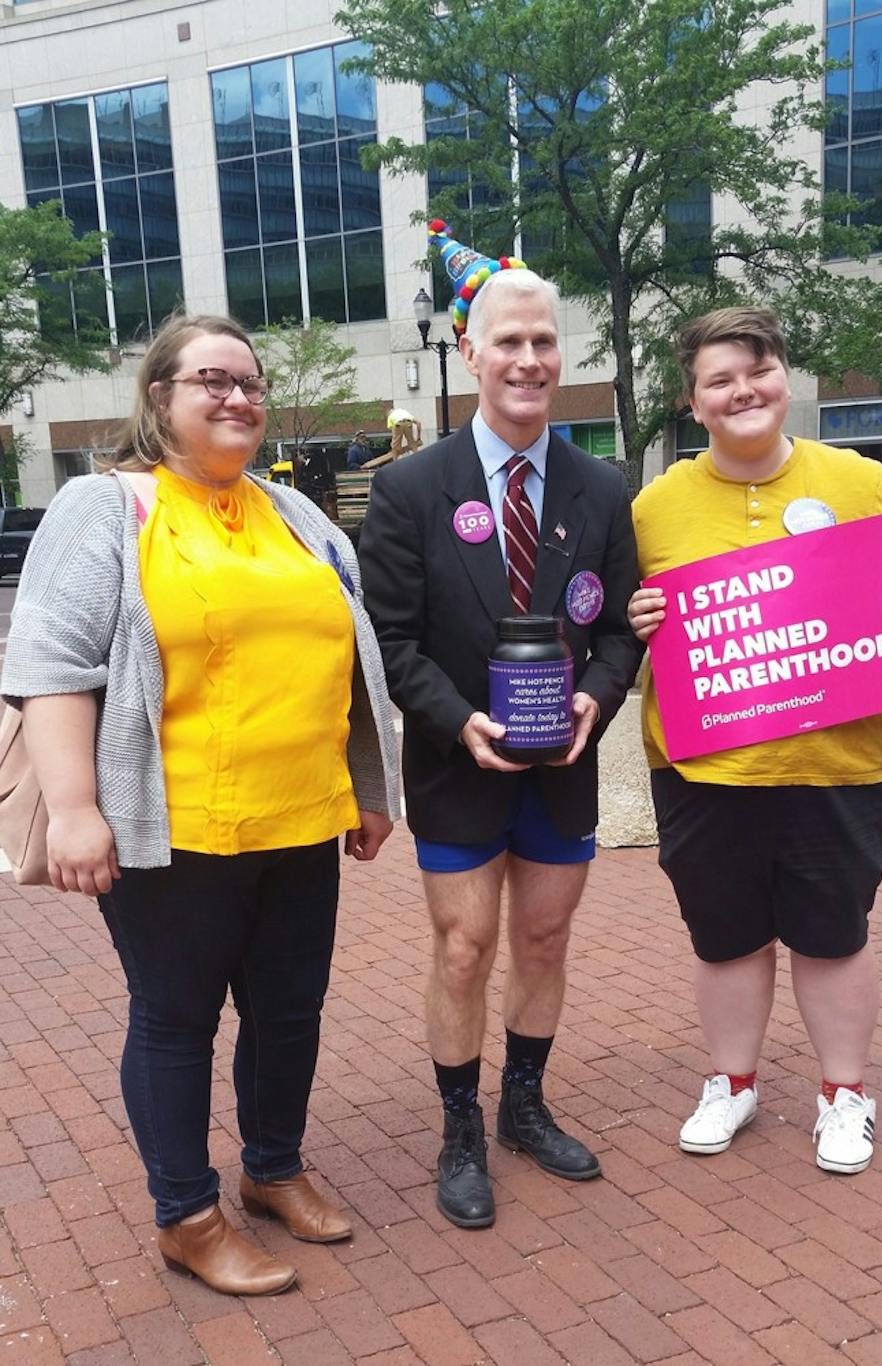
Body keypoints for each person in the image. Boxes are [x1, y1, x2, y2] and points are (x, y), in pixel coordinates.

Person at [2, 314, 400, 1296]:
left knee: (288, 1010)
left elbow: (344, 656)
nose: (238, 398)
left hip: (302, 817)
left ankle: (272, 1169)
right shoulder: (108, 507)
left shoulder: (294, 513)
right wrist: (78, 806)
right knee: (177, 1018)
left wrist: (364, 786)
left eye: (251, 383)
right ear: (160, 398)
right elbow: (51, 664)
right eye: (212, 380)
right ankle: (186, 1211)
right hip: (171, 827)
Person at [629, 307, 882, 1176]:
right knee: (725, 938)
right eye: (720, 379)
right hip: (706, 770)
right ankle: (733, 1082)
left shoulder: (858, 480)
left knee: (833, 935)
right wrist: (637, 620)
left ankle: (844, 1094)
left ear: (785, 378)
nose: (743, 389)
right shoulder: (653, 507)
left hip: (841, 765)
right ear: (693, 400)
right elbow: (608, 616)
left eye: (759, 369)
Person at [359, 224, 640, 1229]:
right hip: (457, 760)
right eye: (507, 342)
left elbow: (618, 630)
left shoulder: (602, 488)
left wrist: (594, 701)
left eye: (544, 342)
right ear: (469, 352)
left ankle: (522, 1105)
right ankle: (458, 1128)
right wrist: (456, 718)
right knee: (464, 948)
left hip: (559, 763)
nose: (528, 360)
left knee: (546, 935)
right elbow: (388, 641)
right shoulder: (406, 489)